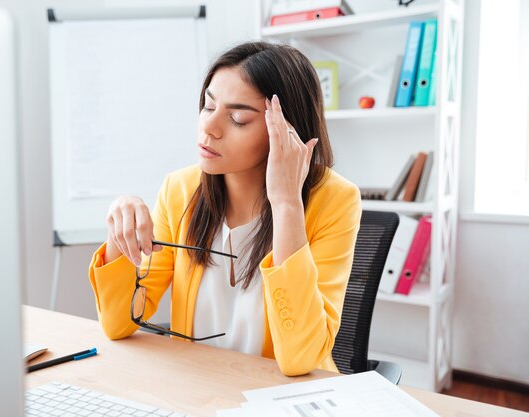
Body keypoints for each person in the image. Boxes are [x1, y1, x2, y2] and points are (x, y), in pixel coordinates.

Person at [88, 41, 361, 376]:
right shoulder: (180, 190)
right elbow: (119, 324)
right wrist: (119, 235)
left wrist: (287, 202)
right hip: (201, 390)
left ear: (288, 130)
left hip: (286, 398)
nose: (209, 128)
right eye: (207, 106)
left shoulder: (335, 201)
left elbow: (300, 359)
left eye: (237, 118)